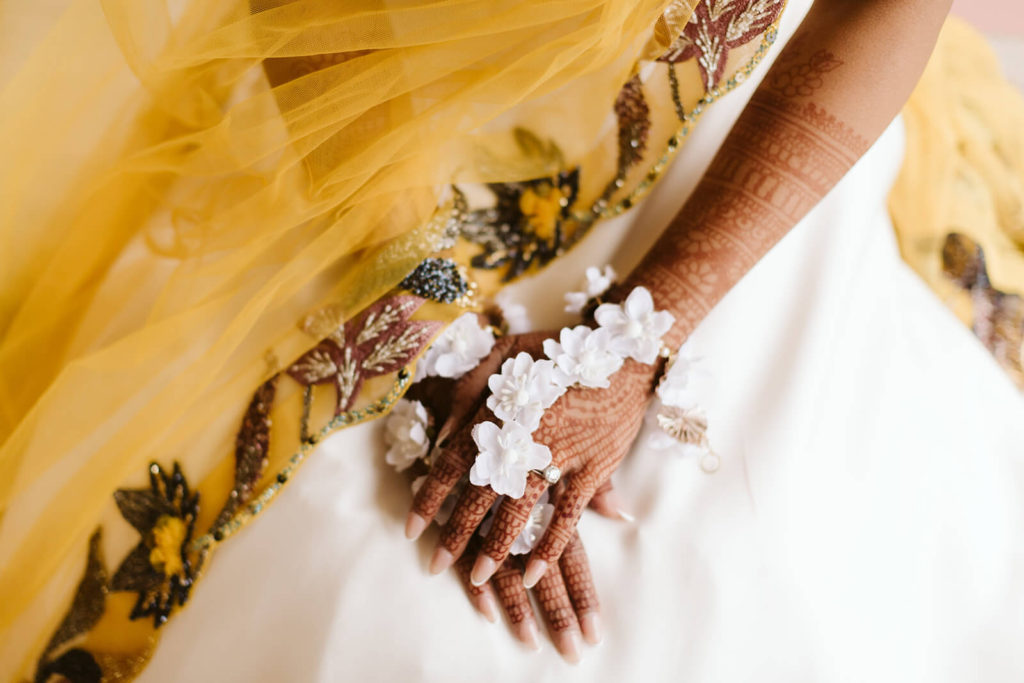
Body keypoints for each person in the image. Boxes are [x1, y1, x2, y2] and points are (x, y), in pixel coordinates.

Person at [2, 0, 1023, 681]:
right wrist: (431, 320)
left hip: (753, 108)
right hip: (389, 113)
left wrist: (638, 334)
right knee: (362, 567)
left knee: (740, 554)